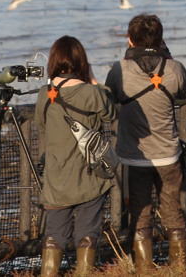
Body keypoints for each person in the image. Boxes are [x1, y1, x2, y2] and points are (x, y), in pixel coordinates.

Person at [105, 14, 186, 269]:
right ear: (161, 38)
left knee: (140, 215)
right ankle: (179, 269)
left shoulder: (120, 69)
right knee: (173, 212)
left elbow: (110, 98)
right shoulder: (173, 68)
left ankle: (144, 269)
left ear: (130, 39)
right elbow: (184, 94)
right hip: (168, 153)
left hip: (135, 155)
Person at [35, 36, 117, 276]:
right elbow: (110, 114)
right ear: (81, 61)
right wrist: (93, 80)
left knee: (54, 237)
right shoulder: (92, 92)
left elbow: (41, 125)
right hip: (89, 176)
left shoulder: (44, 93)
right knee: (87, 236)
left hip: (56, 179)